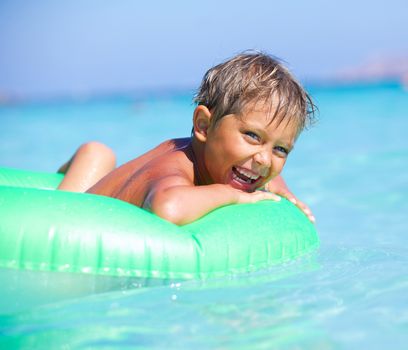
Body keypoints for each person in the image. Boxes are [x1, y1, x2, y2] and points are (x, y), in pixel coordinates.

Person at [58, 52, 316, 225]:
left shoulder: (234, 159)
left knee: (99, 154)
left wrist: (276, 184)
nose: (264, 159)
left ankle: (92, 155)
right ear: (203, 125)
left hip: (92, 197)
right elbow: (167, 207)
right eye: (252, 136)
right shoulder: (175, 169)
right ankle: (87, 159)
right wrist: (231, 195)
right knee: (96, 157)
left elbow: (262, 163)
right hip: (68, 223)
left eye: (280, 149)